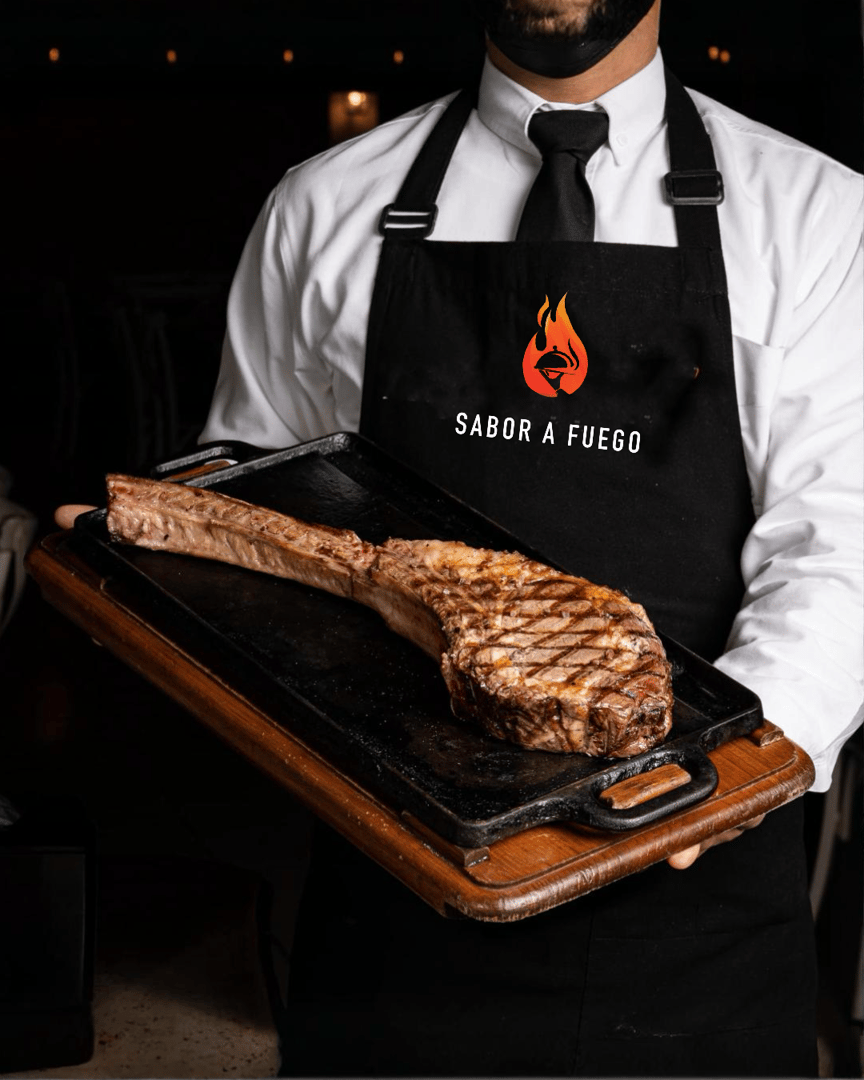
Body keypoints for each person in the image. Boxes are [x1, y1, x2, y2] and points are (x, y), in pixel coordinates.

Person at [57, 0, 864, 1074]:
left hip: (692, 910)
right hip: (394, 900)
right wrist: (149, 577)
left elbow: (842, 541)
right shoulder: (324, 203)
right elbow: (268, 516)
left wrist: (715, 782)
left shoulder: (817, 213)